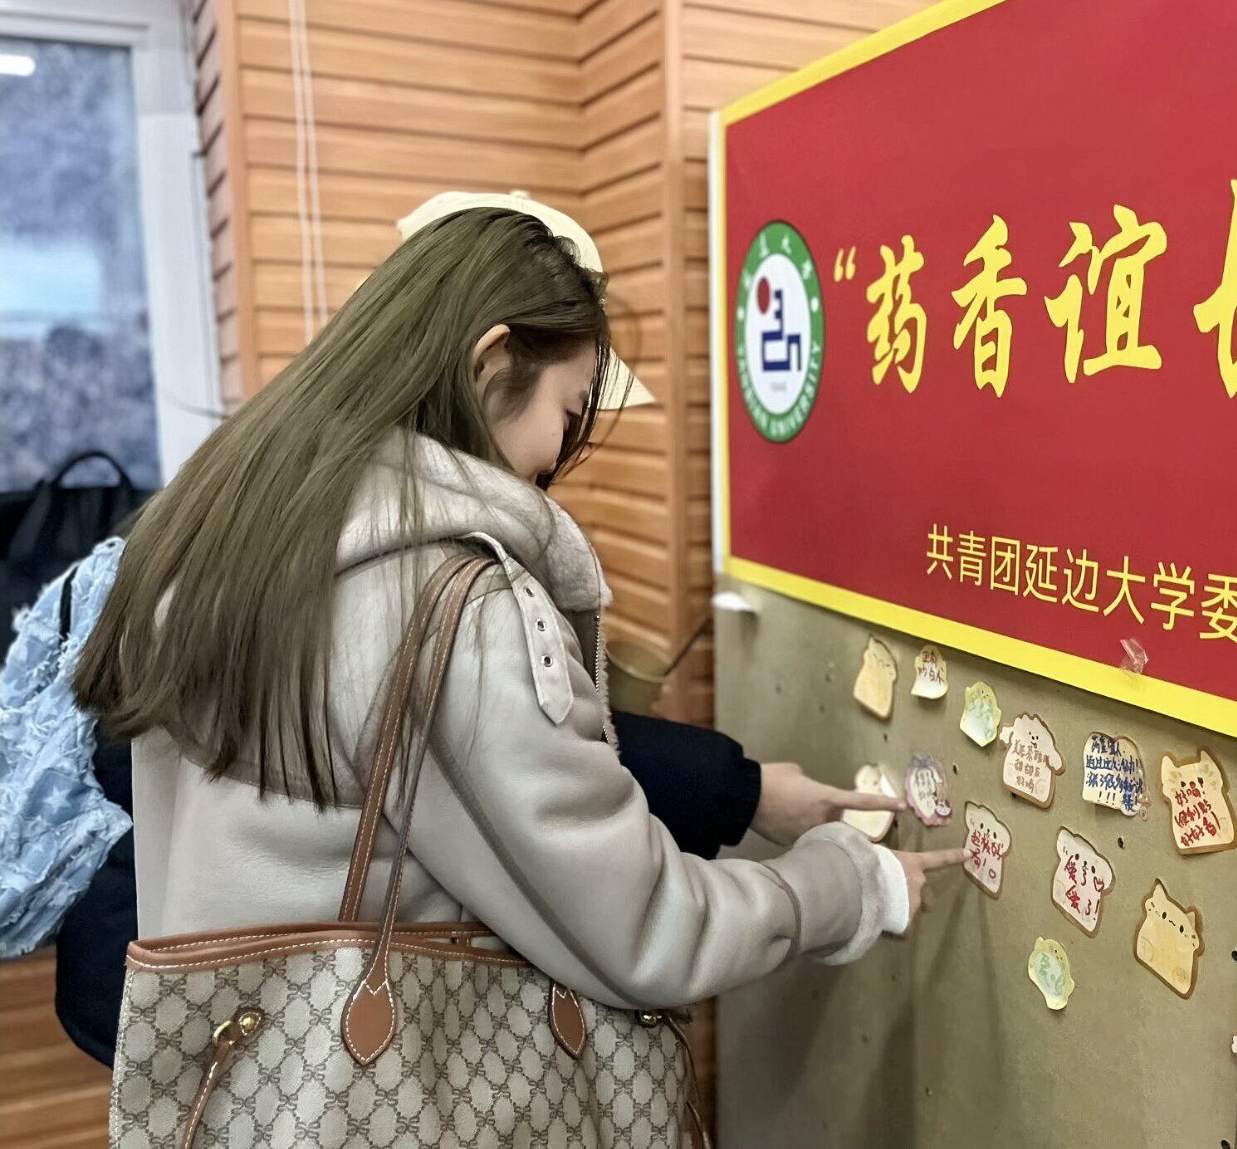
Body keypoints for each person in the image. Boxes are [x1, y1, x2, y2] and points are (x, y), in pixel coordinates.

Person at [73, 195, 964, 1111]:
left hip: (241, 1084)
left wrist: (744, 793)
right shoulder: (448, 603)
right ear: (492, 361)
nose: (557, 460)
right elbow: (651, 930)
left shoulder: (221, 529)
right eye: (569, 412)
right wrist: (850, 882)